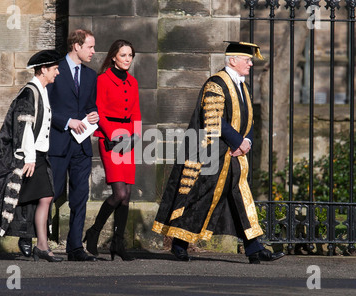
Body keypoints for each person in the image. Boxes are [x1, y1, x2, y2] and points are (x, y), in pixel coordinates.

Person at [152, 41, 285, 264]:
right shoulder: (216, 83)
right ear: (233, 60)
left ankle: (254, 248)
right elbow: (215, 121)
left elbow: (249, 118)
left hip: (233, 153)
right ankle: (179, 243)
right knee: (199, 197)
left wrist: (247, 141)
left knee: (240, 198)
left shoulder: (242, 86)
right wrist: (238, 142)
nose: (251, 64)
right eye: (247, 60)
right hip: (211, 153)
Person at [0, 50, 63, 262]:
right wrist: (29, 157)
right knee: (1, 198)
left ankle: (41, 245)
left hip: (38, 155)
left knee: (43, 197)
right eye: (55, 69)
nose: (58, 73)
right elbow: (24, 128)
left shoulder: (41, 90)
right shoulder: (29, 93)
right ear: (44, 70)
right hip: (23, 156)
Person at [83, 39, 141, 261]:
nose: (127, 59)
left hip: (129, 138)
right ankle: (94, 232)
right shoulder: (102, 80)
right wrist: (112, 135)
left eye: (130, 55)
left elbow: (136, 111)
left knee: (127, 196)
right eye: (123, 55)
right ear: (113, 57)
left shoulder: (133, 83)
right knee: (120, 193)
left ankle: (118, 243)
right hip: (110, 137)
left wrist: (136, 135)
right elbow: (98, 110)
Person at [46, 29, 99, 262]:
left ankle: (75, 247)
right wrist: (68, 121)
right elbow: (46, 108)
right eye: (90, 47)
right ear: (76, 46)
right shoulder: (54, 69)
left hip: (82, 145)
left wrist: (92, 115)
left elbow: (89, 105)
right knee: (50, 193)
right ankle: (33, 238)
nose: (94, 51)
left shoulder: (91, 76)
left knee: (80, 196)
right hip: (58, 142)